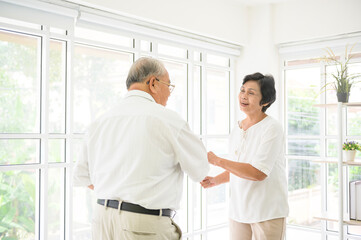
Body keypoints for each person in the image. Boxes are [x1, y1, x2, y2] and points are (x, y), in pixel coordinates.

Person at [73, 57, 209, 240]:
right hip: (143, 225)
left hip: (102, 220)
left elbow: (83, 176)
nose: (169, 93)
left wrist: (117, 191)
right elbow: (200, 169)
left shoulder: (100, 121)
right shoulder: (168, 120)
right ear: (153, 83)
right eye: (169, 85)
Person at [201, 72, 289, 240]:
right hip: (238, 212)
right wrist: (215, 180)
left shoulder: (272, 128)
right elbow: (239, 167)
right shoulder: (237, 128)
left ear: (265, 101)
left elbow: (258, 172)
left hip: (267, 212)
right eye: (242, 90)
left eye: (251, 93)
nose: (243, 96)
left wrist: (218, 160)